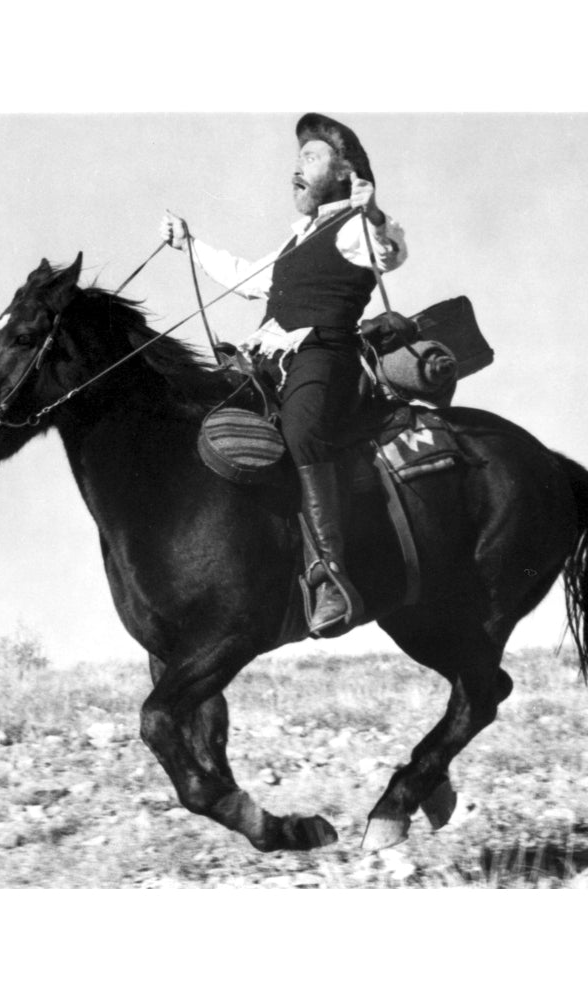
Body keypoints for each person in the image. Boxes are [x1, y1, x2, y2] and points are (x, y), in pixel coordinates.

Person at [159, 113, 408, 637]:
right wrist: (191, 242)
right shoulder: (299, 239)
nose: (297, 169)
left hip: (326, 353)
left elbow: (390, 254)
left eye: (311, 158)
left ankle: (330, 578)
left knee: (299, 431)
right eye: (298, 159)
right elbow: (246, 278)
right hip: (274, 359)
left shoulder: (354, 228)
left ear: (344, 175)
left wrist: (376, 213)